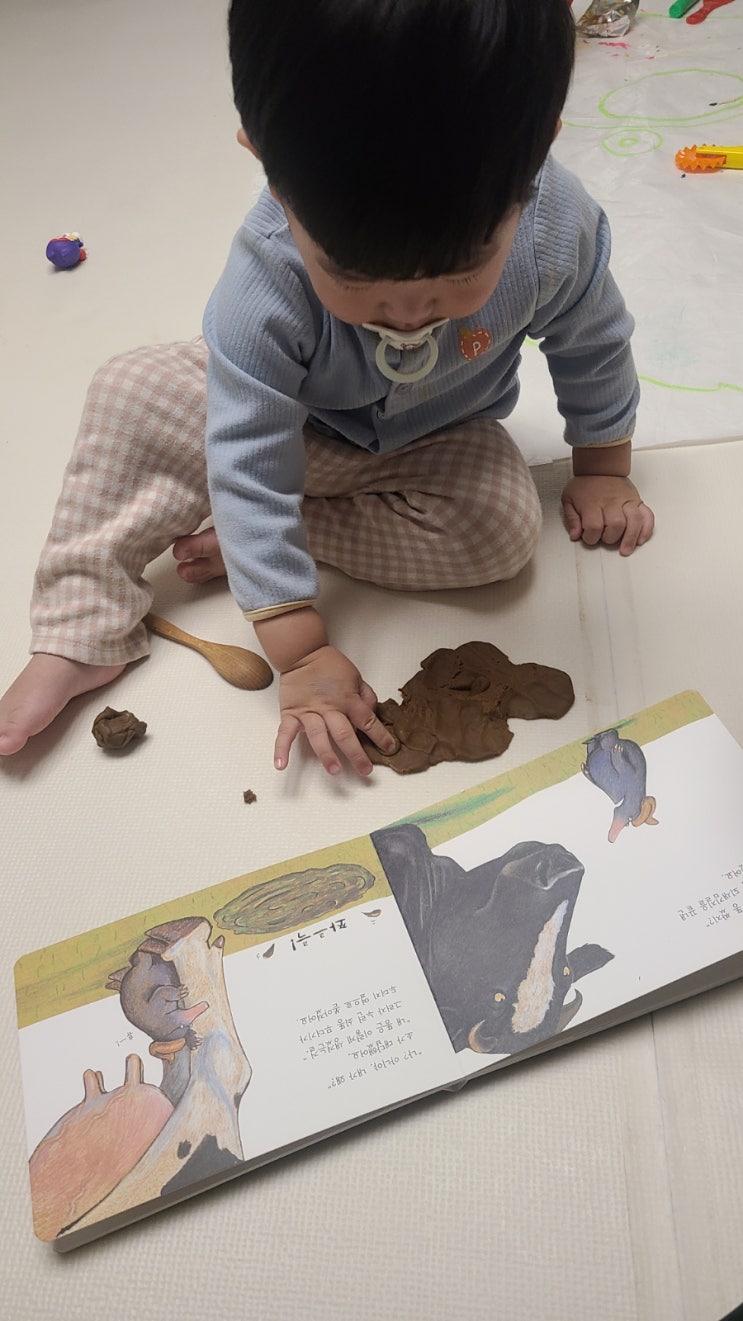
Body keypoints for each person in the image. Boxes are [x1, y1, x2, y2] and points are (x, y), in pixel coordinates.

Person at [0, 0, 653, 773]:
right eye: (353, 273)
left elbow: (593, 341)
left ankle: (266, 537)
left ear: (536, 153)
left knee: (506, 528)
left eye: (458, 271)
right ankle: (82, 626)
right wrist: (300, 649)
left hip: (433, 439)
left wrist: (602, 466)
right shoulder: (264, 278)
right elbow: (245, 452)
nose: (408, 312)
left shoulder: (555, 227)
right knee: (129, 389)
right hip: (288, 419)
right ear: (272, 175)